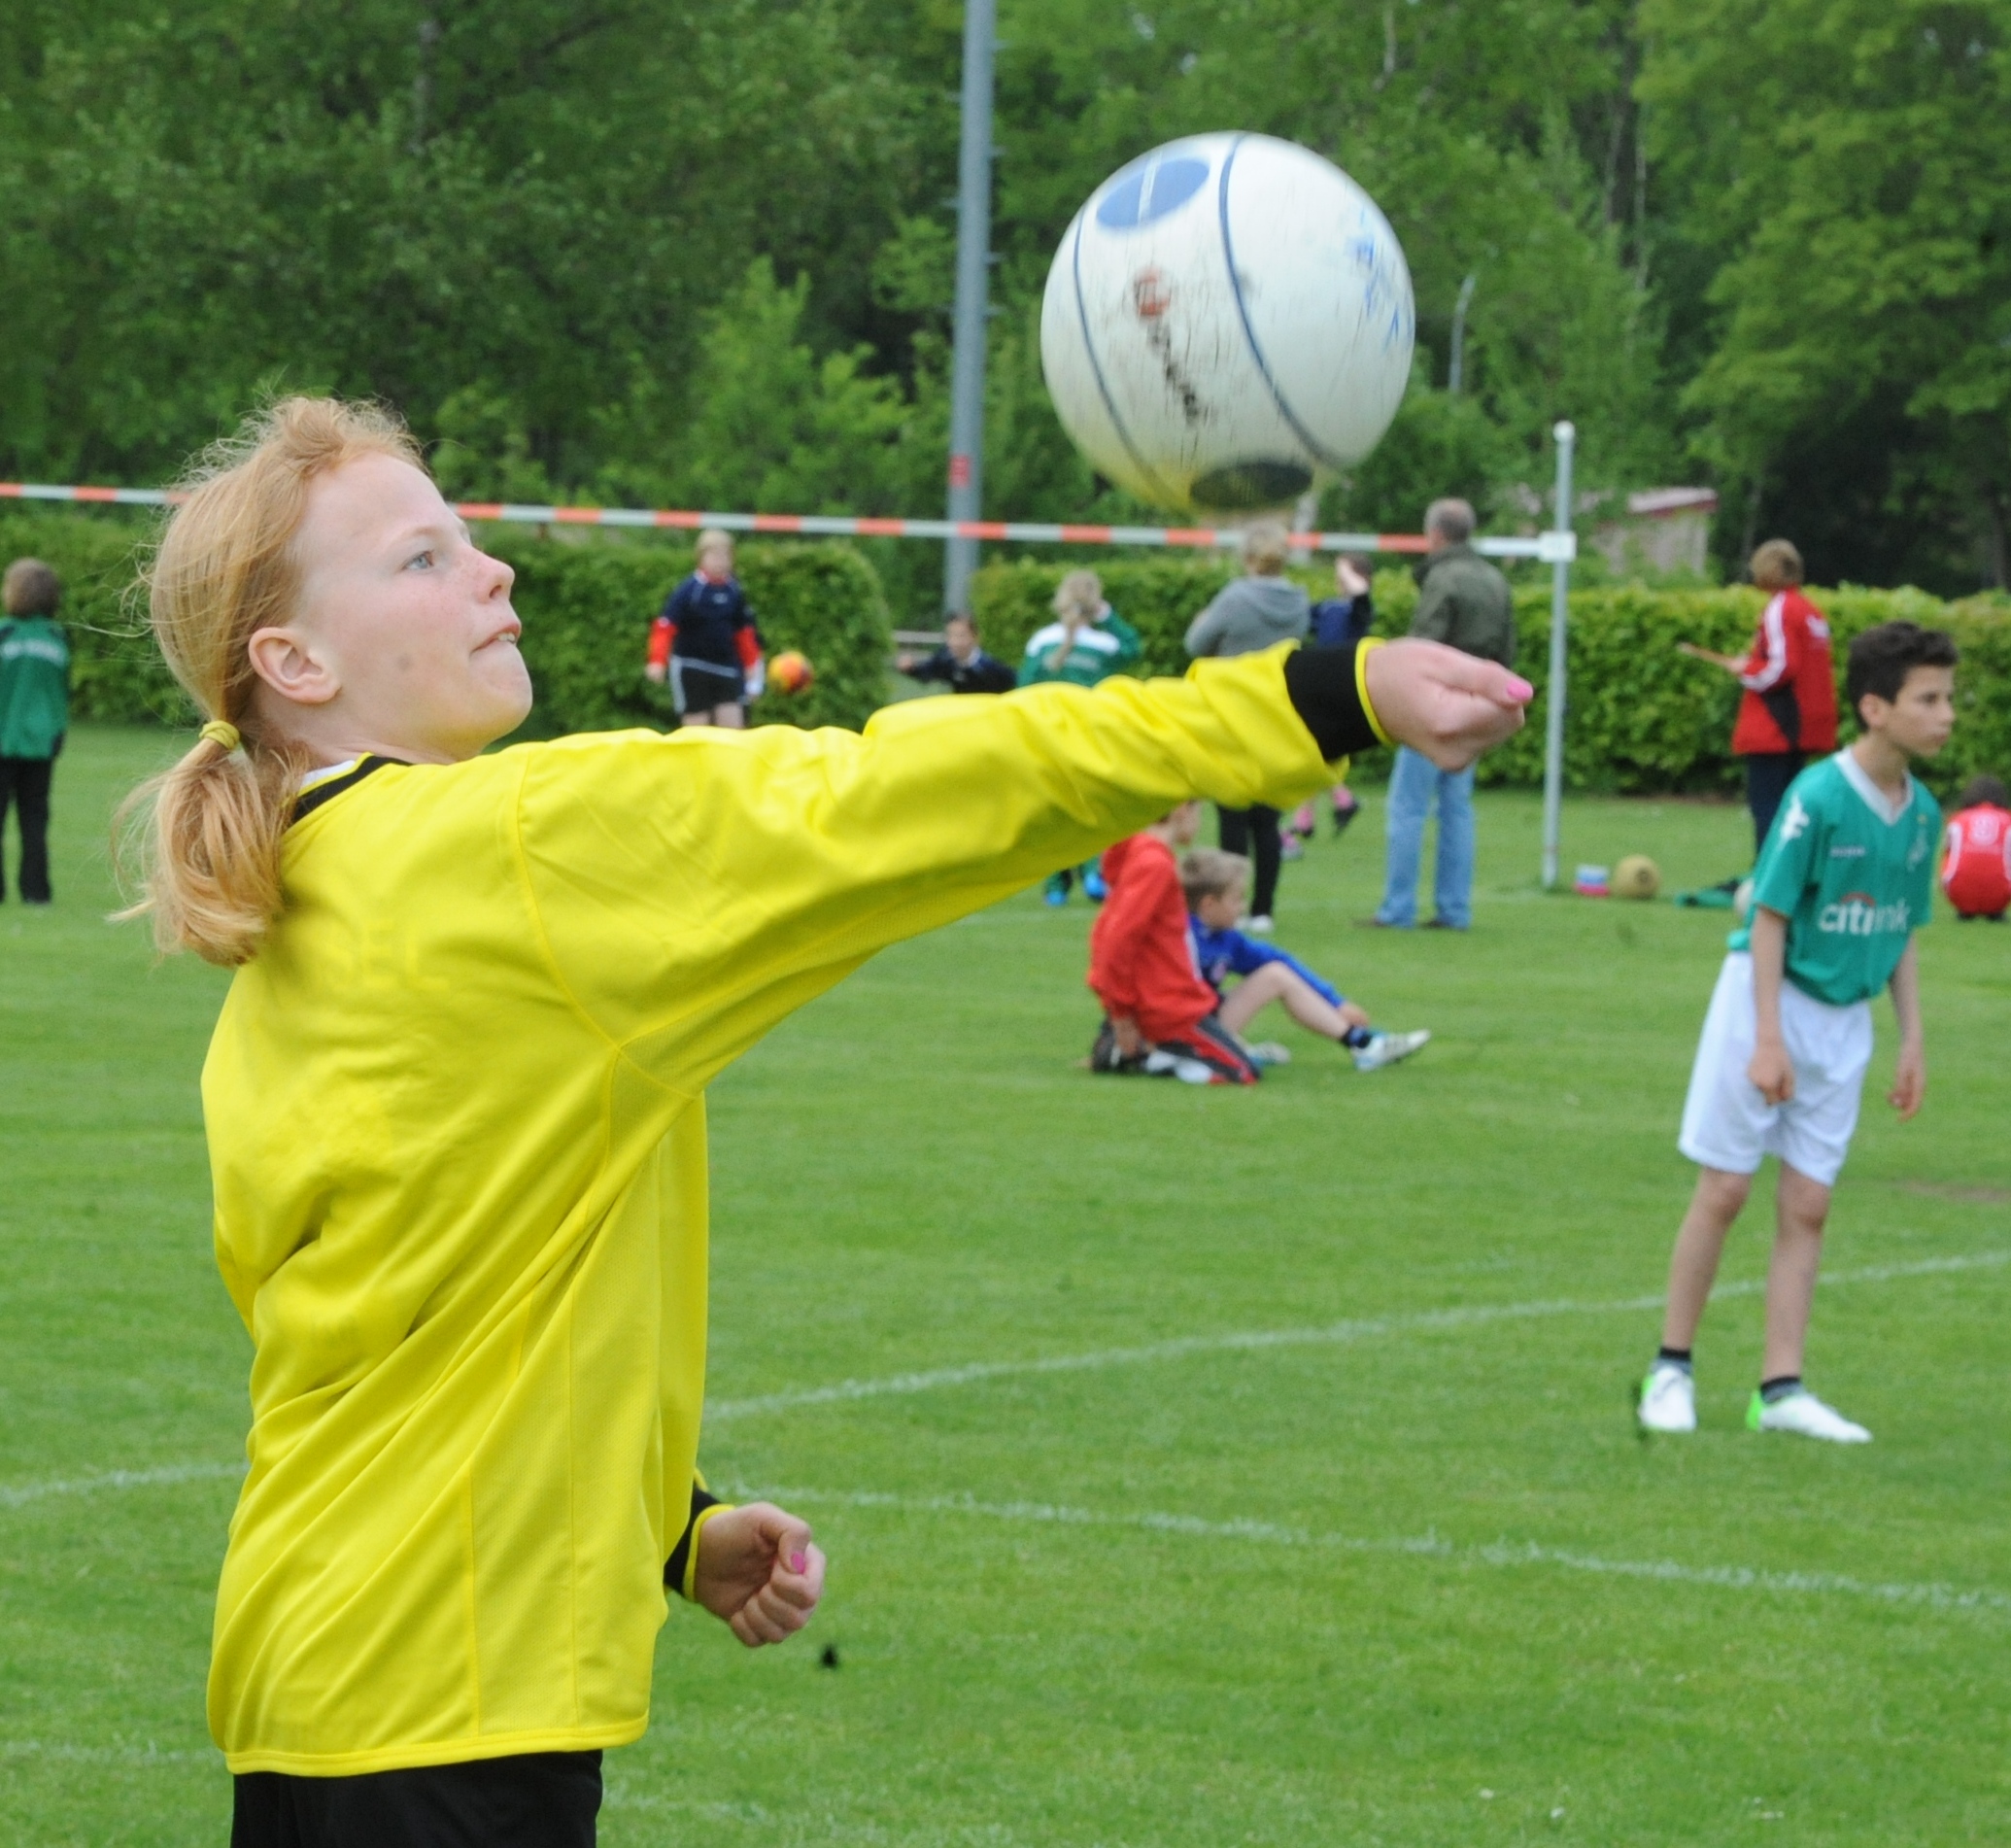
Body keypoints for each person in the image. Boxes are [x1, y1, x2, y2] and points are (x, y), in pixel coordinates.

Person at [117, 397, 1527, 1844]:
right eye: (422, 558)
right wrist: (1312, 696)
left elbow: (424, 1312)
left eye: (468, 539)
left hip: (324, 1671)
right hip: (442, 1707)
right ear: (294, 662)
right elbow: (899, 793)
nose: (494, 571)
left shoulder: (300, 913)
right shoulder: (509, 846)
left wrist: (672, 1523)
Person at [1637, 621, 1958, 1447]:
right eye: (1929, 699)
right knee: (1725, 1189)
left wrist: (1911, 1039)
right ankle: (1670, 1370)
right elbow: (1769, 916)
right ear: (1875, 708)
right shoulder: (1817, 797)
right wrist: (1769, 1039)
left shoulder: (1923, 814)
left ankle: (1780, 1389)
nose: (1946, 715)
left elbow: (1902, 931)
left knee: (1809, 1204)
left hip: (1845, 1023)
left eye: (1948, 698)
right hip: (1764, 1001)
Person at [1368, 498, 1515, 931]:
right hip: (1479, 701)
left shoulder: (1443, 578)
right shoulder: (1494, 578)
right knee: (1457, 808)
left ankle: (1398, 909)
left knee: (1408, 805)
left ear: (1434, 534)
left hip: (1436, 704)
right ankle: (1454, 909)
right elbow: (1508, 648)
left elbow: (1423, 647)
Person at [1181, 847, 1429, 1073]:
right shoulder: (1181, 935)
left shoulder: (1227, 938)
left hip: (1203, 1018)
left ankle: (1361, 1041)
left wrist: (1336, 1003)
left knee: (1275, 974)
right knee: (1273, 975)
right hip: (1182, 1025)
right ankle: (1364, 1044)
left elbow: (1277, 960)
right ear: (1209, 904)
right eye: (1237, 899)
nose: (1242, 907)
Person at [1184, 521, 1312, 932]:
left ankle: (1231, 904)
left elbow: (1196, 644)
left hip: (1235, 714)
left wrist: (1203, 620)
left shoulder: (1236, 597)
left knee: (1233, 817)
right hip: (1277, 715)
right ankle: (1263, 909)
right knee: (1267, 821)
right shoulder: (1299, 600)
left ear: (1249, 558)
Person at [1677, 538, 1837, 858]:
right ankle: (1790, 873)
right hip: (1804, 725)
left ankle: (1768, 876)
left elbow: (1782, 667)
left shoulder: (1780, 608)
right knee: (1793, 810)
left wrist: (1745, 669)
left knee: (1768, 807)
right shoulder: (1810, 610)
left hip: (1777, 726)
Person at [1019, 569, 1143, 903]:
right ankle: (1092, 872)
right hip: (1090, 737)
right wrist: (1107, 615)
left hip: (1049, 737)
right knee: (1091, 807)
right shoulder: (1104, 644)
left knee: (1055, 810)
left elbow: (1022, 689)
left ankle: (1056, 885)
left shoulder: (1042, 640)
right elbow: (1134, 647)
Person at [1281, 554, 1373, 853]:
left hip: (1342, 687)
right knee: (1318, 751)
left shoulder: (1359, 610)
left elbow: (1361, 599)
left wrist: (1346, 570)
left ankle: (1329, 806)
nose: (1339, 578)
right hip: (1320, 686)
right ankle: (1316, 813)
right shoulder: (1329, 607)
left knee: (1315, 751)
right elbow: (1297, 618)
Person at [0, 557, 71, 906]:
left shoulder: (5, 633)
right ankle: (36, 892)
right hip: (43, 743)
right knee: (35, 819)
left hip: (5, 741)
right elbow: (60, 693)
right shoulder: (57, 639)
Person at [645, 529, 763, 727]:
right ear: (701, 557)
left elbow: (743, 632)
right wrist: (657, 660)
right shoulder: (689, 590)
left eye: (725, 556)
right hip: (692, 667)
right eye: (714, 556)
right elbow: (665, 627)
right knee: (697, 731)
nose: (720, 562)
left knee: (733, 731)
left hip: (726, 667)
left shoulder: (734, 591)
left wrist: (752, 666)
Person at [1940, 772, 2010, 921]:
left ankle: (1965, 909)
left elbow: (1947, 850)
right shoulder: (2008, 820)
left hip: (1958, 891)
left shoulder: (1957, 819)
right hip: (2001, 892)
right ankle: (1995, 910)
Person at [897, 611, 1017, 696]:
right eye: (951, 636)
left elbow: (1014, 683)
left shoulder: (989, 667)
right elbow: (926, 672)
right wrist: (910, 668)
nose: (956, 642)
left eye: (961, 636)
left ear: (975, 637)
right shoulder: (945, 660)